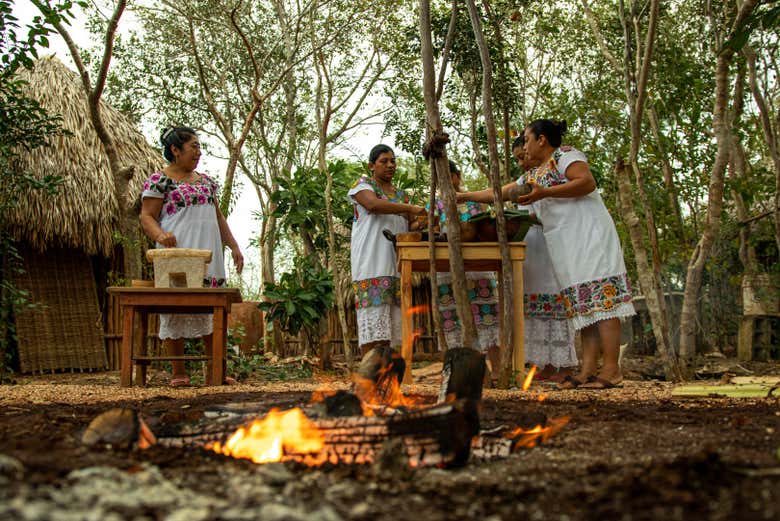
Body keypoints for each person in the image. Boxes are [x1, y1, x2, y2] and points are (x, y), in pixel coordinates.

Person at [458, 120, 635, 389]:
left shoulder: (565, 155)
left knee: (603, 300)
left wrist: (546, 192)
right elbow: (504, 191)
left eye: (526, 140)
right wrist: (466, 196)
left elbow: (586, 182)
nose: (524, 146)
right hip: (566, 244)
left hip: (590, 235)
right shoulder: (533, 175)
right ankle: (587, 370)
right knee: (583, 304)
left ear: (542, 140)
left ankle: (612, 369)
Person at [140, 126, 244, 387]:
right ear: (175, 150)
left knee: (213, 309)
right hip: (177, 253)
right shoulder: (159, 181)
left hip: (209, 252)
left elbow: (218, 216)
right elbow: (146, 216)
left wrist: (233, 245)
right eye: (193, 146)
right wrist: (161, 234)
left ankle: (214, 370)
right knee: (174, 307)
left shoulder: (207, 182)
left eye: (199, 147)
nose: (198, 152)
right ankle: (179, 372)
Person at [348, 144, 426, 355]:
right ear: (371, 165)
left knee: (393, 333)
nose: (390, 165)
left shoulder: (402, 195)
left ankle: (389, 381)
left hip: (397, 265)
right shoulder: (363, 185)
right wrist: (410, 209)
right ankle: (367, 378)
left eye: (393, 161)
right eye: (384, 161)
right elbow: (373, 205)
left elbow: (411, 226)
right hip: (371, 263)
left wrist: (425, 221)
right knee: (372, 329)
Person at [511, 136, 577, 382]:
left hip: (552, 241)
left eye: (523, 155)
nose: (522, 161)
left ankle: (565, 365)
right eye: (518, 158)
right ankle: (544, 363)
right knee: (533, 302)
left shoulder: (554, 170)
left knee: (555, 299)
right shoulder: (525, 180)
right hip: (530, 245)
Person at [429, 160, 500, 376]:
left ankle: (497, 370)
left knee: (488, 315)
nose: (445, 182)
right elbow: (428, 225)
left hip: (477, 265)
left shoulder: (474, 203)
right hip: (447, 265)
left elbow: (484, 228)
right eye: (439, 179)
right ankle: (460, 372)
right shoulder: (434, 204)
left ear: (457, 176)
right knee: (453, 318)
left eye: (448, 176)